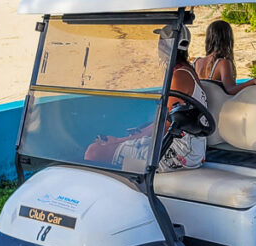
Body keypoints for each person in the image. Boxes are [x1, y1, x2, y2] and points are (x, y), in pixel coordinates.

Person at [84, 25, 209, 173]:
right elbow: (168, 119)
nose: (158, 46)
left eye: (161, 42)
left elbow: (166, 125)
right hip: (185, 146)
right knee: (103, 147)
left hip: (181, 151)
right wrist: (137, 134)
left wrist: (119, 141)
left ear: (167, 45)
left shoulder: (179, 77)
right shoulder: (183, 71)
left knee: (94, 152)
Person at [194, 20, 256, 94]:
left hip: (203, 106)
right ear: (228, 40)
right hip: (219, 106)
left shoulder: (197, 62)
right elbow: (230, 89)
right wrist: (253, 81)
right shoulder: (222, 63)